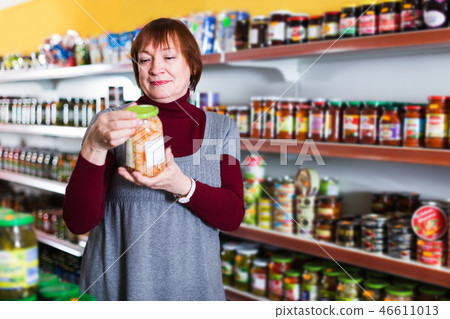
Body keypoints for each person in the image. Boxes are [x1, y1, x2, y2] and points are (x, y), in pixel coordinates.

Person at [63, 18, 245, 301]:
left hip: (194, 290)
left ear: (193, 65)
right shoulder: (112, 125)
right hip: (118, 287)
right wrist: (94, 147)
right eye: (144, 59)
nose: (155, 68)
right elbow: (78, 222)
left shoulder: (222, 128)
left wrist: (182, 185)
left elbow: (233, 214)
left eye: (169, 57)